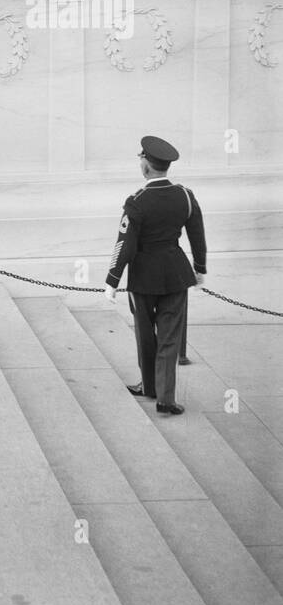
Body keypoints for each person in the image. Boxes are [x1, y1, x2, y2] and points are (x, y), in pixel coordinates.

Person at [103, 137, 207, 416]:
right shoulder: (185, 195)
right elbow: (197, 235)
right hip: (175, 273)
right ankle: (166, 397)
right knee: (170, 337)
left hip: (144, 276)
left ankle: (149, 387)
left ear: (146, 166)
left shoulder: (137, 201)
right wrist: (200, 268)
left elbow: (125, 244)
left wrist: (112, 280)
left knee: (145, 334)